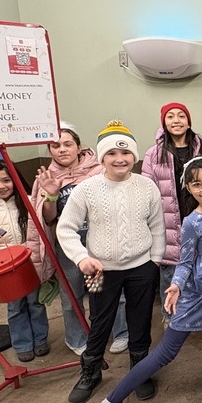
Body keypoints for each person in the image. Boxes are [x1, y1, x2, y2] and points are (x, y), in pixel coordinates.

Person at [80, 156, 202, 403]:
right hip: (194, 298)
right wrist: (177, 285)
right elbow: (185, 262)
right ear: (188, 189)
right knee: (163, 356)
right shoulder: (193, 223)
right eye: (196, 184)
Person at [57, 121, 165, 403]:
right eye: (113, 154)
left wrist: (155, 260)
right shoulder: (87, 189)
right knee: (101, 321)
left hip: (142, 267)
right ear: (102, 157)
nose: (120, 159)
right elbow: (65, 228)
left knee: (140, 321)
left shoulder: (147, 187)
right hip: (99, 270)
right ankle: (90, 372)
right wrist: (82, 257)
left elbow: (157, 227)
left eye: (126, 153)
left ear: (134, 156)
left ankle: (140, 372)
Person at [32, 124, 128, 356]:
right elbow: (48, 217)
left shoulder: (99, 170)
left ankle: (120, 332)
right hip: (68, 245)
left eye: (67, 144)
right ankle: (77, 337)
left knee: (107, 288)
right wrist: (52, 194)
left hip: (101, 240)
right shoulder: (46, 177)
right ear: (50, 150)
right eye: (56, 146)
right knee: (71, 293)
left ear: (79, 147)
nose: (62, 150)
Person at [0, 160, 53, 363]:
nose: (2, 186)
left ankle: (40, 339)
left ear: (15, 180)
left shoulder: (28, 201)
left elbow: (42, 233)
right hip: (3, 272)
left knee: (36, 303)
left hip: (30, 265)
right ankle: (22, 343)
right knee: (15, 308)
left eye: (6, 180)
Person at [140, 102, 202, 315]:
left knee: (197, 272)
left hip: (196, 219)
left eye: (181, 116)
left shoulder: (199, 148)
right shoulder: (153, 154)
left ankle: (196, 316)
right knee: (170, 274)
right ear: (164, 122)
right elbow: (146, 190)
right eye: (171, 116)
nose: (176, 120)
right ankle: (170, 318)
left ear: (189, 122)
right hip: (166, 223)